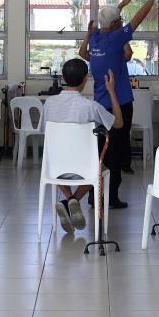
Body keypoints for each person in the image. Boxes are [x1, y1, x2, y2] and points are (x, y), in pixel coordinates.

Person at [78, 0, 159, 208]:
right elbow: (137, 20)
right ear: (115, 25)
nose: (121, 22)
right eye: (118, 20)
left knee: (101, 150)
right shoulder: (114, 39)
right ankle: (113, 197)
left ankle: (93, 195)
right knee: (117, 151)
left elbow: (107, 22)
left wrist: (122, 4)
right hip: (120, 104)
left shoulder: (97, 38)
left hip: (100, 105)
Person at [41, 58, 123, 234]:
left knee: (58, 158)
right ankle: (75, 199)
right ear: (86, 79)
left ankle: (68, 199)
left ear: (63, 77)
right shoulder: (90, 106)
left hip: (54, 168)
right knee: (99, 171)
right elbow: (118, 123)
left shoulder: (49, 103)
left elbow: (44, 133)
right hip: (85, 169)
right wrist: (111, 91)